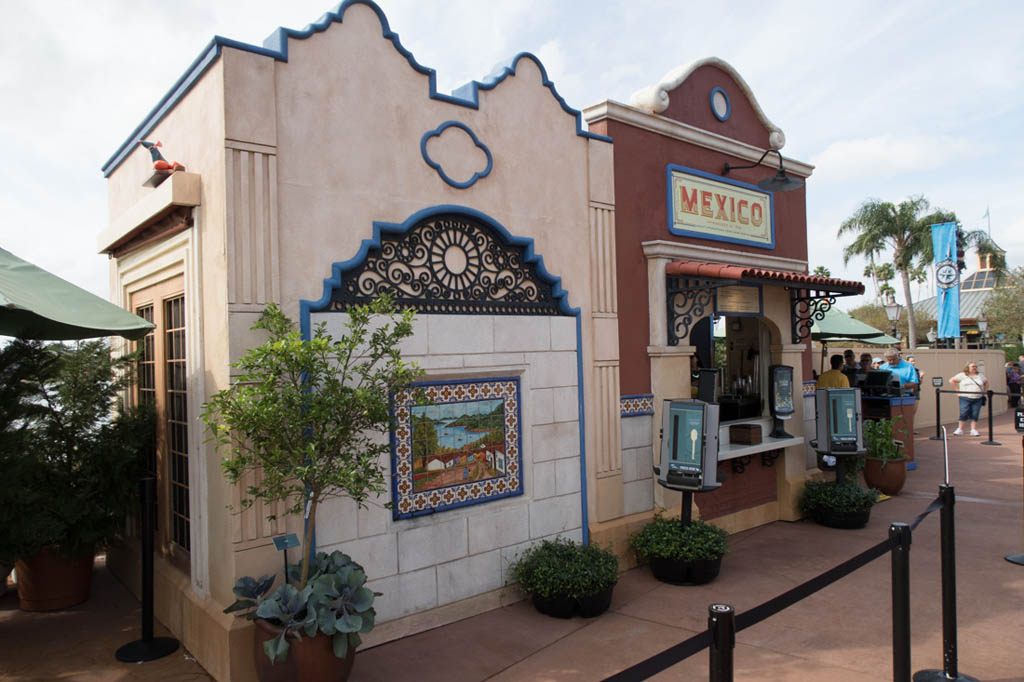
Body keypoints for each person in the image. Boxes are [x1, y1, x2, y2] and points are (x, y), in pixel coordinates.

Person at [949, 361, 988, 436]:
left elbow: (986, 382)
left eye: (975, 366)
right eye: (973, 366)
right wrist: (958, 391)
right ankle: (960, 429)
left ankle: (973, 429)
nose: (974, 368)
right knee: (963, 412)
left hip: (977, 398)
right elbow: (952, 380)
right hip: (965, 397)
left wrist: (984, 391)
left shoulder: (980, 375)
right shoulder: (962, 375)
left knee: (975, 413)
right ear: (968, 367)